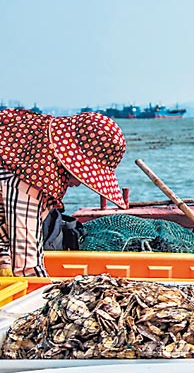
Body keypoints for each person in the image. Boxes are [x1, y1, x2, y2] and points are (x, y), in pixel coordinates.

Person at [0, 109, 127, 276]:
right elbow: (27, 267)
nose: (83, 182)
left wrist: (4, 259)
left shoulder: (30, 144)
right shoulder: (30, 178)